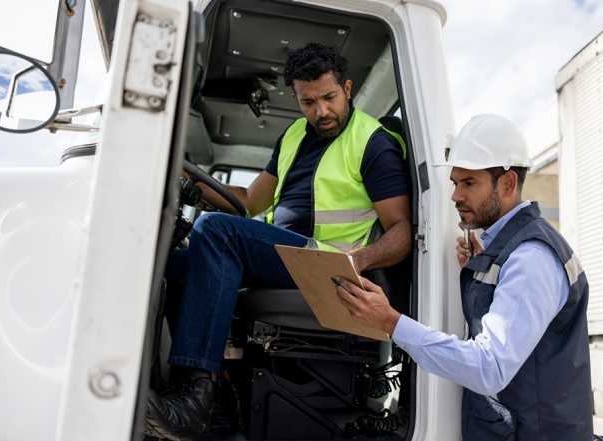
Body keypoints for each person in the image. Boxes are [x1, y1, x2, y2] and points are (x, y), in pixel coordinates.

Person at [144, 43, 412, 440]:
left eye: (329, 98)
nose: (321, 111)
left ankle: (194, 398)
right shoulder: (292, 136)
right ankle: (204, 393)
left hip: (326, 264)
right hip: (283, 255)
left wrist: (360, 260)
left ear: (347, 89)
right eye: (309, 102)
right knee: (168, 264)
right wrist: (190, 182)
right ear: (296, 98)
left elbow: (402, 230)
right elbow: (250, 202)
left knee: (216, 231)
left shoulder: (373, 143)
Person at [333, 115, 593, 440]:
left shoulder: (531, 258)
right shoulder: (503, 250)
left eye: (469, 183)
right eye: (455, 183)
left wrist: (390, 322)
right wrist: (477, 267)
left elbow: (489, 368)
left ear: (508, 184)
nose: (455, 196)